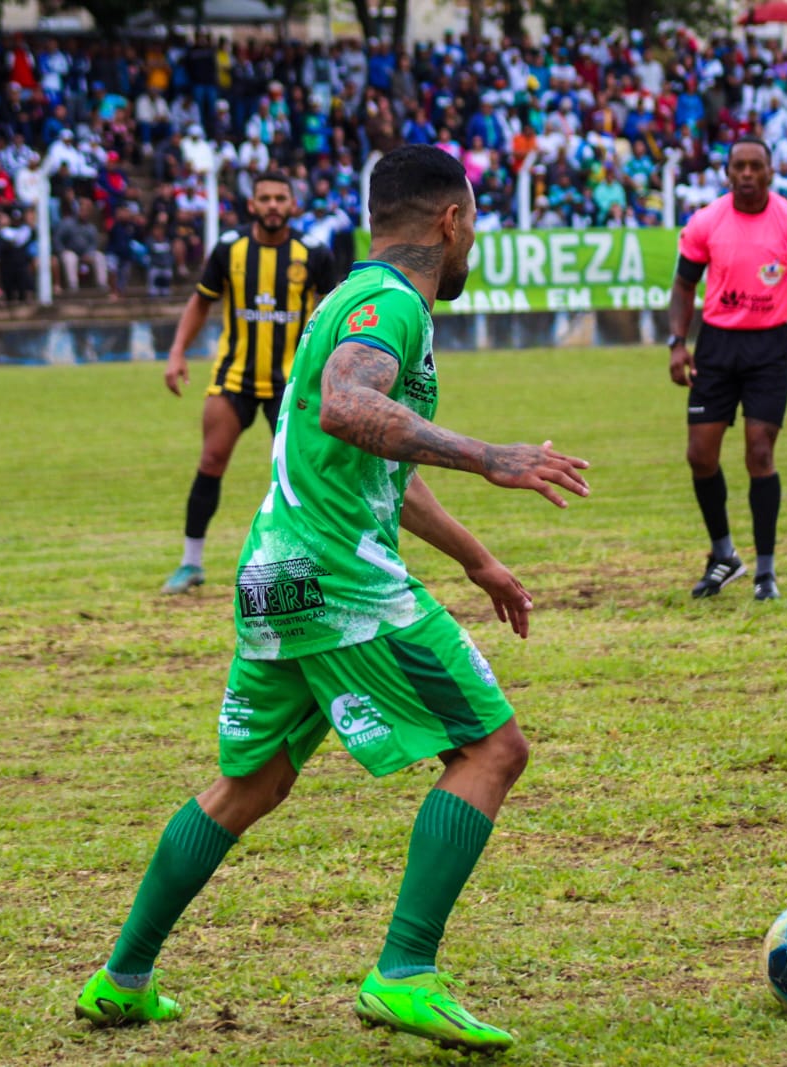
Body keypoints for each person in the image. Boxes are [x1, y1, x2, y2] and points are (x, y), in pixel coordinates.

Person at [76, 144, 592, 1053]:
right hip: (344, 584)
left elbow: (371, 455)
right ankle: (404, 972)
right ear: (450, 221)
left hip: (277, 573)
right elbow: (350, 409)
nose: (472, 240)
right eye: (472, 224)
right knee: (493, 749)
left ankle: (121, 978)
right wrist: (489, 455)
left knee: (253, 782)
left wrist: (476, 560)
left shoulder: (345, 299)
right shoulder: (391, 303)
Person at [666, 137, 787, 602]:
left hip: (769, 347)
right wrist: (677, 343)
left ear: (770, 172)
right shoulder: (706, 221)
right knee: (699, 455)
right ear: (727, 173)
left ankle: (766, 572)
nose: (746, 174)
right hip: (717, 346)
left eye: (755, 166)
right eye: (738, 166)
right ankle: (724, 554)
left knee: (759, 453)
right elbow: (684, 285)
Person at [159, 171, 337, 595]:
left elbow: (332, 312)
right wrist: (177, 351)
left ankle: (318, 561)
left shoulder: (313, 253)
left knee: (301, 473)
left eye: (280, 198)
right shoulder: (229, 248)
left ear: (293, 204)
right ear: (252, 204)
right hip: (234, 377)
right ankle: (191, 563)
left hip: (291, 383)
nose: (273, 205)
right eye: (265, 198)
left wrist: (334, 369)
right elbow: (201, 301)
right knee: (211, 462)